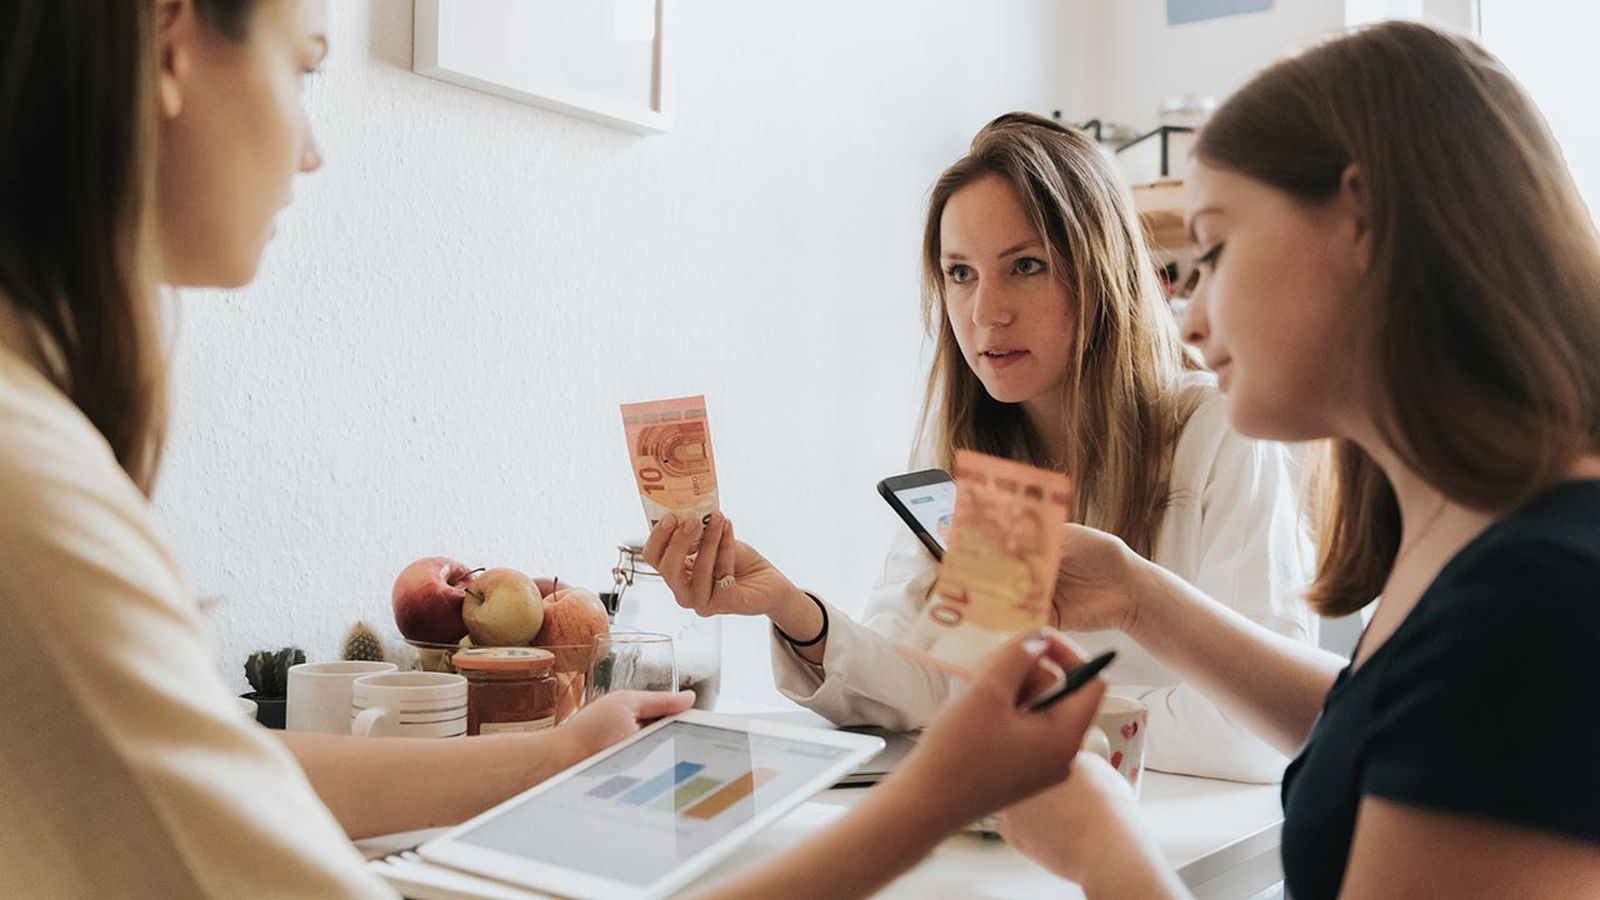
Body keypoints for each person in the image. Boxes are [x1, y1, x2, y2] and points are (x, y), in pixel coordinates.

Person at [0, 2, 1110, 895]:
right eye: (305, 65)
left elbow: (212, 768)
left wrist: (551, 758)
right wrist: (924, 800)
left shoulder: (40, 451)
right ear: (172, 41)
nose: (312, 145)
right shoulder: (32, 490)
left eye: (1022, 268)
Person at [990, 21, 1600, 898]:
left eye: (1215, 249)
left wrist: (1103, 855)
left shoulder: (1531, 601)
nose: (1191, 319)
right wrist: (1136, 595)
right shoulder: (1486, 544)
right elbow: (1394, 724)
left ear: (1360, 218)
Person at [645, 112, 1316, 781]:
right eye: (959, 274)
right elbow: (929, 686)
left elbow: (1252, 734)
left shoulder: (1219, 435)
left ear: (1099, 271)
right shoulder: (976, 459)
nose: (985, 312)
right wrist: (791, 609)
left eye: (1025, 266)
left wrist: (1033, 708)